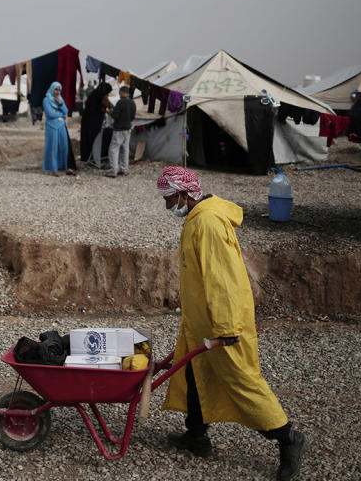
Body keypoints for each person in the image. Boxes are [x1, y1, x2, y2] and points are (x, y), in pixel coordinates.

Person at [156, 166, 307, 481]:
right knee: (195, 376)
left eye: (170, 199)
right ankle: (196, 436)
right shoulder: (198, 218)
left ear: (184, 194)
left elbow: (222, 279)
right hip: (201, 320)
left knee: (242, 382)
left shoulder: (208, 223)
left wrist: (225, 328)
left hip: (220, 324)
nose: (168, 207)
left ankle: (287, 437)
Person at [104, 85, 136, 178]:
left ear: (121, 92)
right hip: (128, 129)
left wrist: (109, 112)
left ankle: (114, 171)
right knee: (125, 149)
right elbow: (133, 117)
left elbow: (115, 115)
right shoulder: (132, 102)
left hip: (119, 129)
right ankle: (124, 170)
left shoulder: (121, 102)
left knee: (114, 149)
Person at [79, 81, 112, 167]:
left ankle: (87, 157)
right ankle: (93, 158)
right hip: (93, 122)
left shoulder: (94, 94)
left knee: (88, 139)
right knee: (94, 139)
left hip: (88, 121)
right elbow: (102, 106)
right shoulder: (98, 96)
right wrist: (108, 110)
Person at [42, 81, 70, 176]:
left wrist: (61, 104)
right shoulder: (46, 100)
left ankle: (64, 166)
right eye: (56, 89)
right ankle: (54, 169)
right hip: (52, 126)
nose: (57, 92)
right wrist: (62, 114)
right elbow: (50, 114)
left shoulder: (60, 99)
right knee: (53, 148)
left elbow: (66, 110)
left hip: (61, 125)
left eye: (59, 90)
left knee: (64, 146)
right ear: (52, 89)